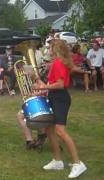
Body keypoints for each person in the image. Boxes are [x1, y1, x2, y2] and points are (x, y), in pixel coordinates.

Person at [34, 39, 87, 179]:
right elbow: (53, 83)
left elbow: (60, 85)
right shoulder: (58, 62)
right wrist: (43, 88)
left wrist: (43, 87)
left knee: (60, 131)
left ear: (54, 49)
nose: (48, 50)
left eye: (49, 48)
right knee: (49, 129)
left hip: (60, 98)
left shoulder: (58, 63)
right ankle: (58, 161)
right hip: (55, 96)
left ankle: (78, 163)